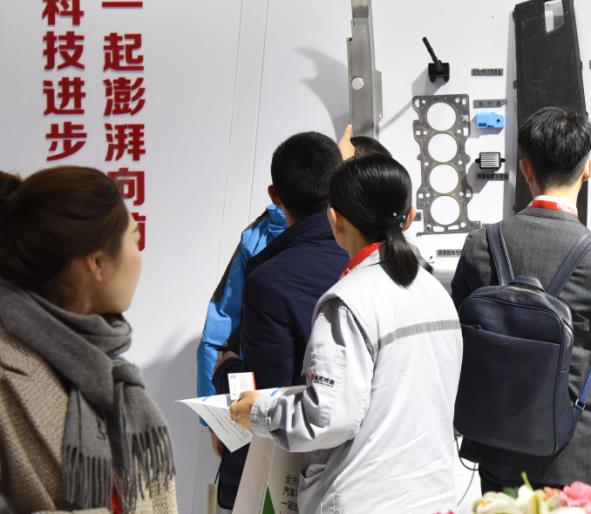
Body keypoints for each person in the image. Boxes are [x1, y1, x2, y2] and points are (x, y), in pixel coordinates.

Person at [231, 154, 462, 513]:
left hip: (362, 500)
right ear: (410, 216)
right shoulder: (436, 292)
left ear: (334, 219)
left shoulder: (347, 302)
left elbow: (326, 419)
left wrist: (259, 413)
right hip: (435, 496)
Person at [451, 106, 591, 499]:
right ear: (588, 169)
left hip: (499, 441)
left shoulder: (480, 245)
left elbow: (458, 342)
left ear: (525, 169)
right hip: (581, 448)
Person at [0, 166, 176, 513]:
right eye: (135, 239)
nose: (139, 255)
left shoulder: (111, 374)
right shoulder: (8, 371)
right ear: (98, 263)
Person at [210, 131, 366, 510]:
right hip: (365, 460)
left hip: (294, 467)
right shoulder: (370, 262)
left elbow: (270, 391)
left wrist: (226, 370)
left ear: (275, 195)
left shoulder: (268, 279)